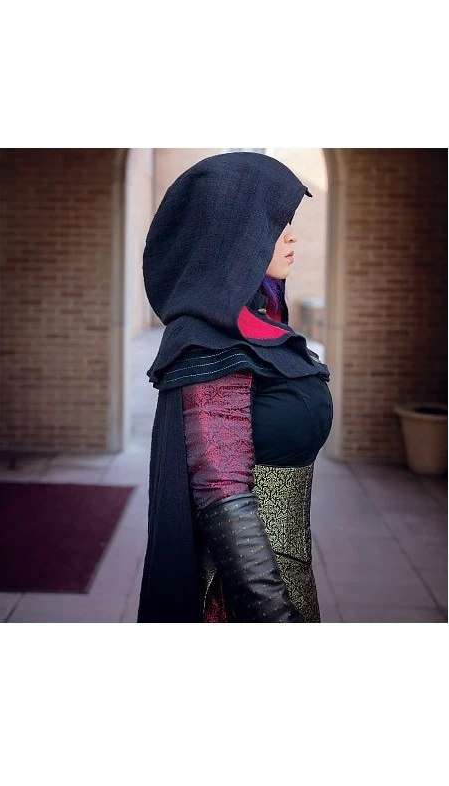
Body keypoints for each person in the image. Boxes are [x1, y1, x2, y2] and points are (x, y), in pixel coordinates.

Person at [137, 152, 333, 623]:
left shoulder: (258, 325)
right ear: (237, 236)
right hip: (244, 598)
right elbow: (223, 493)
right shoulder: (210, 341)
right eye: (276, 223)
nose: (291, 236)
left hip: (288, 575)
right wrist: (276, 616)